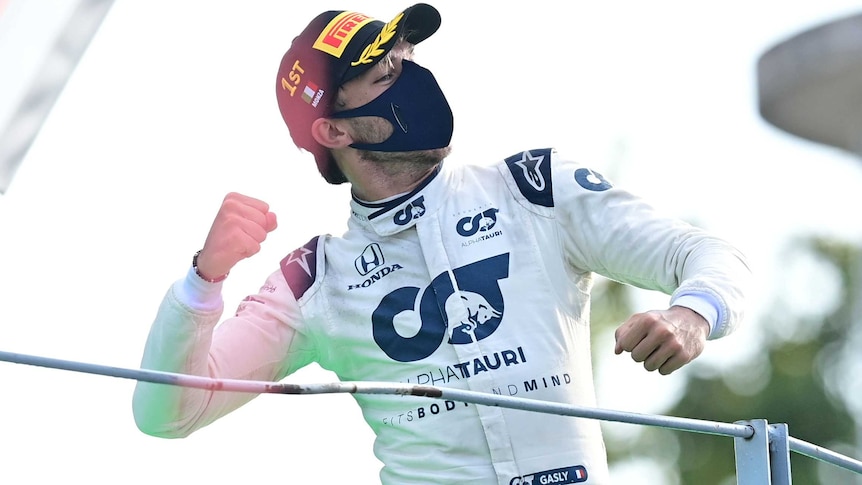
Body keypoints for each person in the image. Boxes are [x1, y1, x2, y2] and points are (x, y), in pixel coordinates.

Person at [132, 3, 751, 484]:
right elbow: (168, 414)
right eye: (386, 74)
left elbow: (712, 256)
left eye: (408, 59)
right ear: (332, 129)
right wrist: (202, 282)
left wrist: (691, 313)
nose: (415, 80)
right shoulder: (316, 278)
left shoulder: (532, 188)